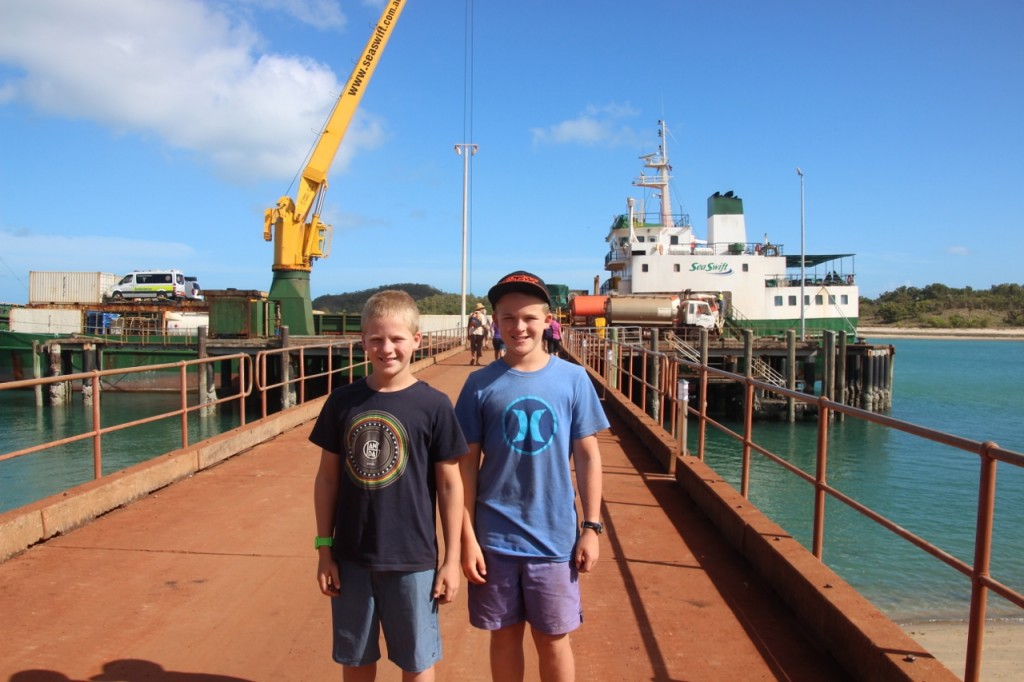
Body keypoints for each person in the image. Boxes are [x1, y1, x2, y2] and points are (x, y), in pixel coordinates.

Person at [454, 271, 610, 682]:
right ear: (495, 323)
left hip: (554, 539)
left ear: (546, 320)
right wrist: (465, 538)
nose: (518, 327)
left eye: (527, 318)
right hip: (494, 540)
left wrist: (591, 527)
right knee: (503, 637)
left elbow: (588, 456)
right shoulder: (479, 384)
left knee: (553, 638)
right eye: (507, 318)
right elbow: (465, 466)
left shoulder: (573, 379)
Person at [311, 290, 468, 682]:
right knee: (357, 660)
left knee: (417, 663)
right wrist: (323, 549)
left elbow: (450, 486)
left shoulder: (434, 406)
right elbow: (327, 477)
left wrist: (451, 560)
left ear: (417, 340)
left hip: (413, 560)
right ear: (363, 341)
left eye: (397, 339)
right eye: (377, 339)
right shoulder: (343, 401)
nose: (387, 348)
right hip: (351, 557)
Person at [467, 302, 489, 366]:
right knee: (479, 346)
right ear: (481, 309)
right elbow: (484, 325)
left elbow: (468, 325)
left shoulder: (471, 314)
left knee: (472, 346)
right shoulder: (482, 316)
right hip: (480, 333)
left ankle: (472, 357)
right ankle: (477, 361)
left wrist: (468, 334)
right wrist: (486, 334)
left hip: (472, 332)